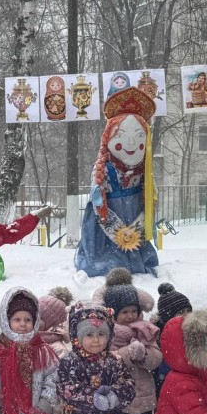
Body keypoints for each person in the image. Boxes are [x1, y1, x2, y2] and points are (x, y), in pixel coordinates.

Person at [75, 87, 158, 277]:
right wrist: (118, 232)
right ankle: (108, 258)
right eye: (121, 136)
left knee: (136, 249)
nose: (131, 143)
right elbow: (98, 206)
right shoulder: (102, 170)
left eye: (139, 137)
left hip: (134, 216)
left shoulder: (145, 171)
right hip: (107, 226)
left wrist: (137, 228)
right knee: (106, 261)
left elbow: (150, 203)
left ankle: (136, 257)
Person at [103, 277, 163, 414]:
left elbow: (156, 359)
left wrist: (144, 354)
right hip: (118, 398)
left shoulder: (146, 331)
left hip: (143, 396)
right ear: (114, 313)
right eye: (124, 312)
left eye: (133, 311)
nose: (130, 316)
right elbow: (107, 362)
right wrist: (129, 353)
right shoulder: (105, 332)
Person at [150, 283, 193, 414]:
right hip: (164, 387)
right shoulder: (158, 335)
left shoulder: (193, 333)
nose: (185, 315)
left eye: (187, 310)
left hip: (187, 388)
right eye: (179, 312)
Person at [36, 287, 73, 414]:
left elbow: (61, 375)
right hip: (38, 398)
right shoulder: (32, 341)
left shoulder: (58, 347)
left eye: (39, 317)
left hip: (56, 401)